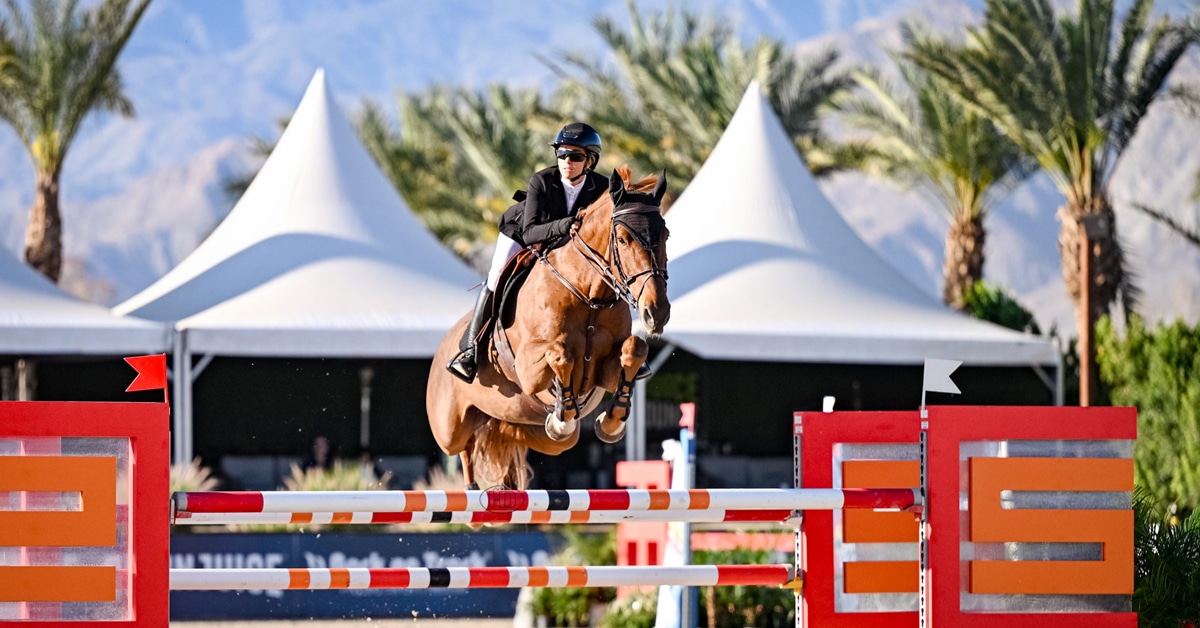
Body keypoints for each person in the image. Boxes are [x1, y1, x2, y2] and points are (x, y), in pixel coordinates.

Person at [447, 122, 607, 383]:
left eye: (575, 156)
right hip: (521, 234)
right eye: (562, 154)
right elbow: (531, 231)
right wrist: (564, 225)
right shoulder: (542, 181)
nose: (567, 161)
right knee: (497, 274)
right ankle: (470, 350)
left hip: (567, 245)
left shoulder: (601, 187)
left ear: (590, 161)